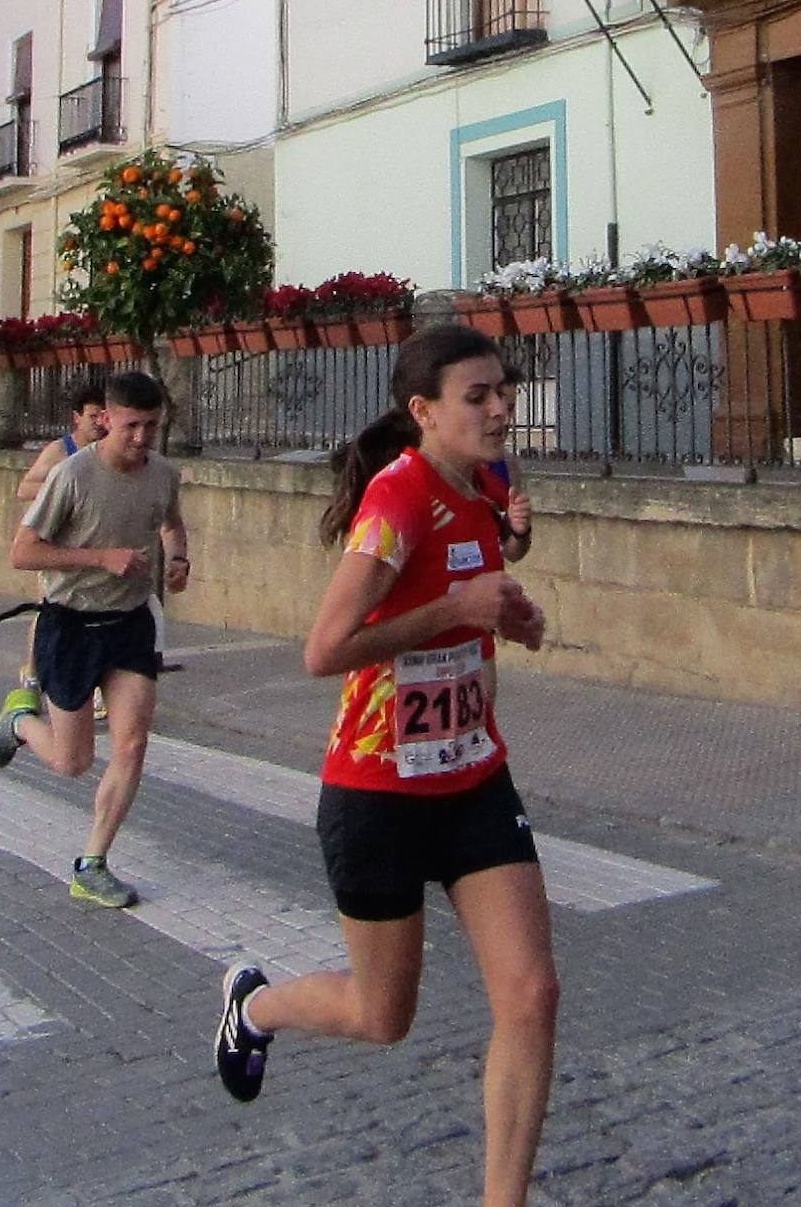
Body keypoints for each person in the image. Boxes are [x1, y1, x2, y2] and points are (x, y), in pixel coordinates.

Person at [214, 324, 559, 1207]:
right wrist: (456, 607)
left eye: (503, 391)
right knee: (382, 1016)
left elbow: (471, 599)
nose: (500, 409)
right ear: (424, 411)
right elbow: (324, 649)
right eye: (477, 396)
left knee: (531, 993)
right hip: (378, 793)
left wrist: (506, 617)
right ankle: (253, 1008)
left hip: (473, 777)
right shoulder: (397, 499)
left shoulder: (485, 484)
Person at [0, 370, 190, 908]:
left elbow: (171, 524)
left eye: (151, 426)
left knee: (133, 743)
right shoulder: (72, 475)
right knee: (72, 761)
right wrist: (101, 558)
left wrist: (179, 559)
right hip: (71, 624)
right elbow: (23, 552)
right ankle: (19, 723)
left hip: (129, 623)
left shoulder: (163, 473)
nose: (142, 438)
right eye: (131, 426)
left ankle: (92, 862)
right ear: (106, 419)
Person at [15, 383, 109, 715]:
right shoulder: (60, 451)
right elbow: (24, 488)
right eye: (92, 416)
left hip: (93, 544)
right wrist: (65, 486)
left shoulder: (107, 452)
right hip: (58, 544)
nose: (98, 423)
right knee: (50, 610)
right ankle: (32, 676)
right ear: (76, 418)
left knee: (96, 614)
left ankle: (96, 687)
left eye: (103, 416)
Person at [479, 363, 533, 565]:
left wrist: (520, 531)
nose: (505, 419)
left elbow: (513, 553)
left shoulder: (508, 465)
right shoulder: (439, 466)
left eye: (510, 408)